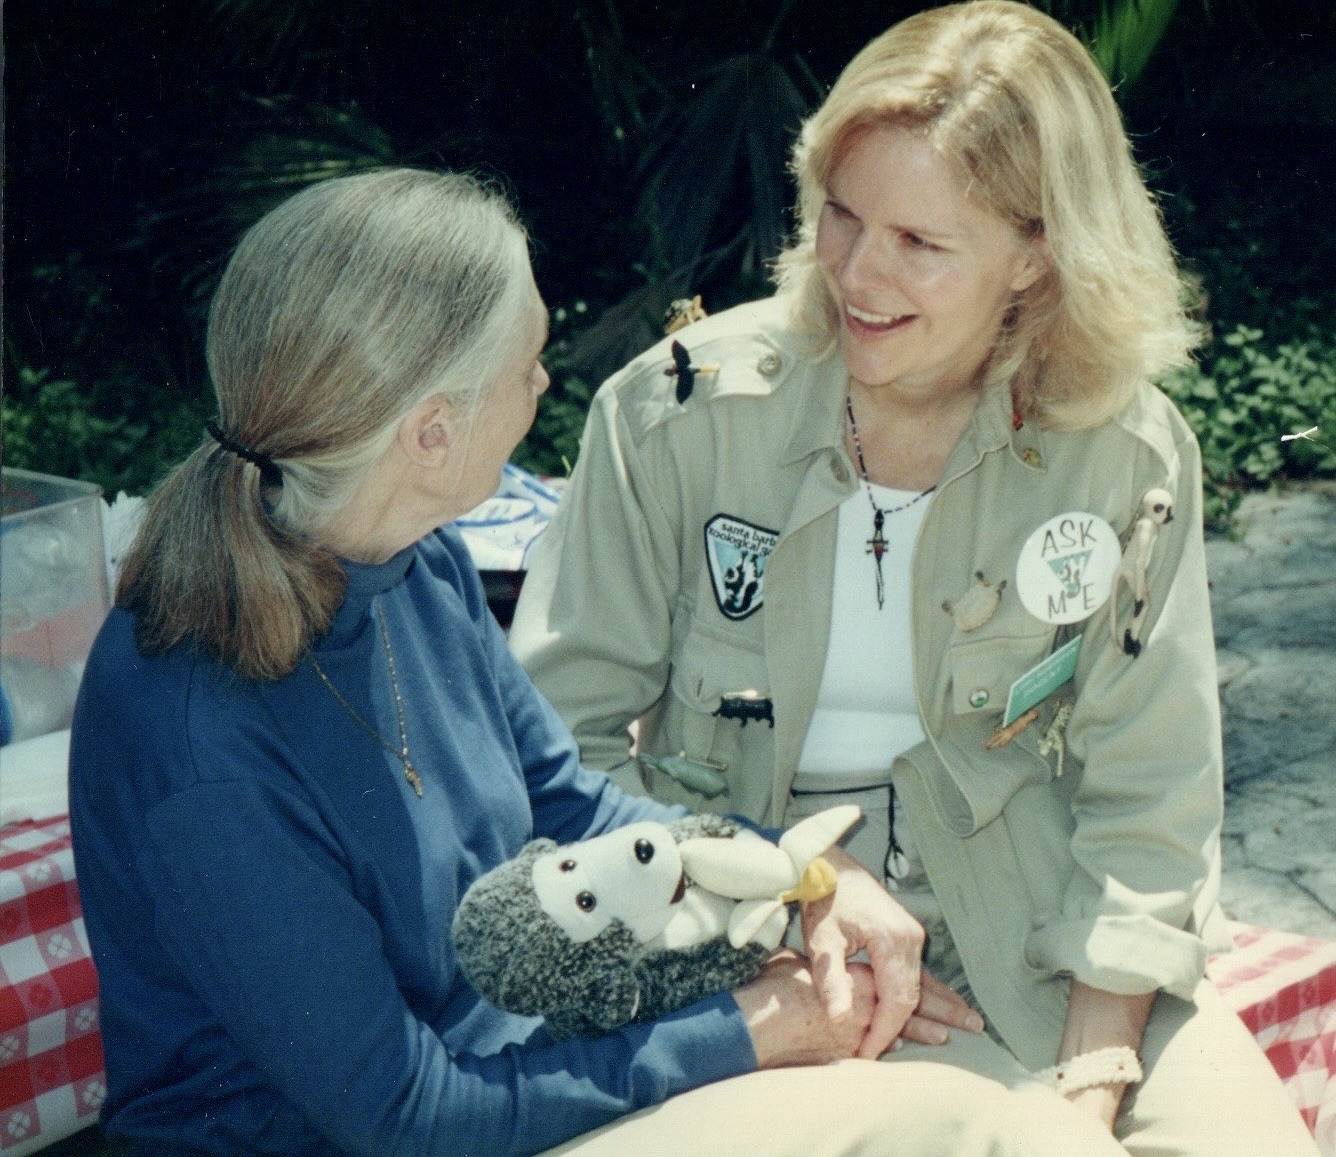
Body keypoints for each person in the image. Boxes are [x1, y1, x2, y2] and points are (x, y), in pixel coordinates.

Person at [67, 168, 1124, 1157]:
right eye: (526, 363)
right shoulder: (198, 736)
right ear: (429, 434)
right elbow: (406, 1114)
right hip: (393, 1132)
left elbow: (568, 803)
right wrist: (745, 1029)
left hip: (514, 1066)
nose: (544, 377)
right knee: (959, 1126)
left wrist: (802, 873)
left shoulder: (409, 559)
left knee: (974, 1112)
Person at [509, 5, 1322, 1155]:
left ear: (1036, 256)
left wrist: (1093, 1075)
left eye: (919, 243)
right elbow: (550, 757)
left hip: (1053, 946)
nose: (855, 273)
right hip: (757, 946)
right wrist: (785, 878)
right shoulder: (674, 416)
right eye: (840, 214)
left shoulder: (1121, 453)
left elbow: (1151, 799)